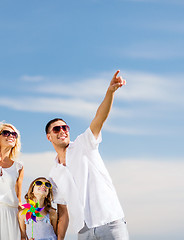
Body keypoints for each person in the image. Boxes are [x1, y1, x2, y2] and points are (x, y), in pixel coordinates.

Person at [45, 70, 129, 240]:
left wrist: (110, 92)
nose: (62, 131)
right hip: (83, 231)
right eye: (56, 129)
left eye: (65, 128)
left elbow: (100, 118)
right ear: (49, 136)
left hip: (110, 222)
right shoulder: (54, 174)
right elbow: (63, 210)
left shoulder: (85, 144)